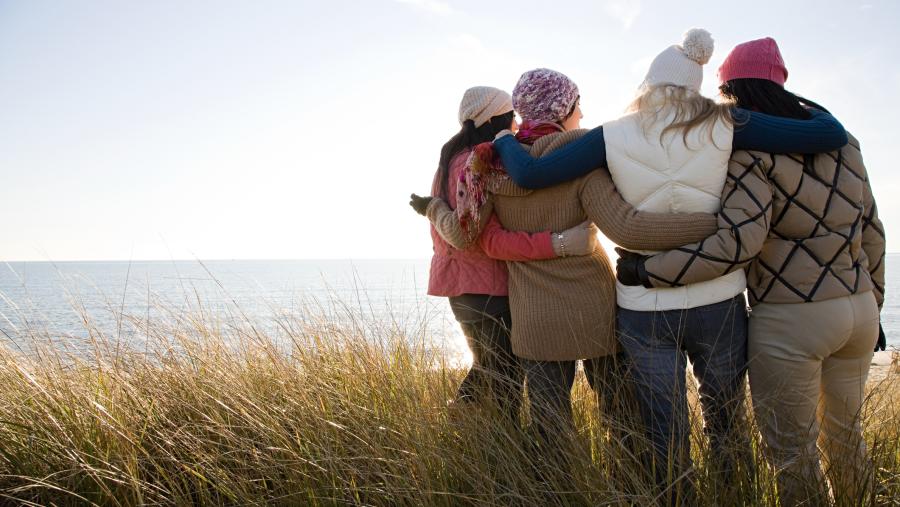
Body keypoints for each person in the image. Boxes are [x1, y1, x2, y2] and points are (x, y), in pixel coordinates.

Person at [490, 29, 851, 497]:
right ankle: (732, 495)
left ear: (649, 83)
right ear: (695, 86)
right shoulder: (727, 123)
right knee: (726, 423)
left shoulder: (612, 134)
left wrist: (502, 139)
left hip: (644, 306)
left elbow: (532, 173)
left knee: (664, 432)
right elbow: (827, 134)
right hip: (718, 296)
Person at [615, 37, 886, 506]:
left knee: (793, 455)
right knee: (848, 442)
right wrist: (875, 305)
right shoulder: (846, 143)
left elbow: (738, 242)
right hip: (859, 311)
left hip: (792, 318)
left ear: (730, 91)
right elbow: (873, 232)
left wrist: (649, 270)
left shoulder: (748, 154)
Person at [416, 69, 721, 470]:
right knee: (621, 417)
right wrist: (712, 223)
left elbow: (482, 239)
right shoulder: (582, 162)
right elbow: (627, 227)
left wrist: (434, 209)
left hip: (534, 317)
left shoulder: (491, 168)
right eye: (577, 106)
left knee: (549, 430)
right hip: (595, 310)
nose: (581, 114)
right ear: (565, 110)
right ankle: (627, 490)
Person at [416, 86, 599, 422]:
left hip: (460, 290)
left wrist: (433, 207)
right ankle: (494, 457)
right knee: (505, 385)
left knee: (487, 369)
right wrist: (434, 209)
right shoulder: (481, 163)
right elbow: (463, 232)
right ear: (496, 118)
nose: (515, 123)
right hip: (490, 289)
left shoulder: (447, 162)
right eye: (510, 116)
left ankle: (460, 432)